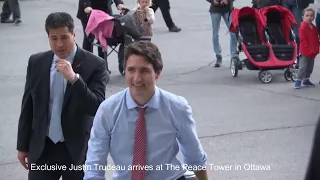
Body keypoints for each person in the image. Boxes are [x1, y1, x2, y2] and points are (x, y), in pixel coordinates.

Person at [83, 41, 208, 180]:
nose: (137, 78)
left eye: (144, 71)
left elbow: (195, 157)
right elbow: (94, 164)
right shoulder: (108, 110)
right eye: (131, 70)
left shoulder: (177, 107)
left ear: (157, 74)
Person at [16, 12, 109, 180]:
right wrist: (22, 146)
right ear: (48, 37)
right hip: (44, 148)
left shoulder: (95, 65)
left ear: (74, 34)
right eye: (54, 38)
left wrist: (74, 79)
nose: (59, 44)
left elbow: (97, 106)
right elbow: (28, 106)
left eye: (64, 37)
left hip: (76, 150)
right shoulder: (37, 62)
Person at [206, 0, 238, 67]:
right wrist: (212, 1)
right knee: (215, 33)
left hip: (227, 9)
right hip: (215, 9)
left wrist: (227, 1)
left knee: (233, 32)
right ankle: (218, 55)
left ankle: (234, 55)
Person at [294, 7, 319, 89]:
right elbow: (303, 40)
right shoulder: (303, 27)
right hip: (305, 52)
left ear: (314, 17)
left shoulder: (314, 28)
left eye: (311, 16)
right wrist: (308, 49)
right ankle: (298, 81)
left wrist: (316, 48)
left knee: (310, 67)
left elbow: (316, 39)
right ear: (303, 17)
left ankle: (306, 80)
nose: (309, 17)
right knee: (302, 67)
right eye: (307, 15)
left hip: (312, 52)